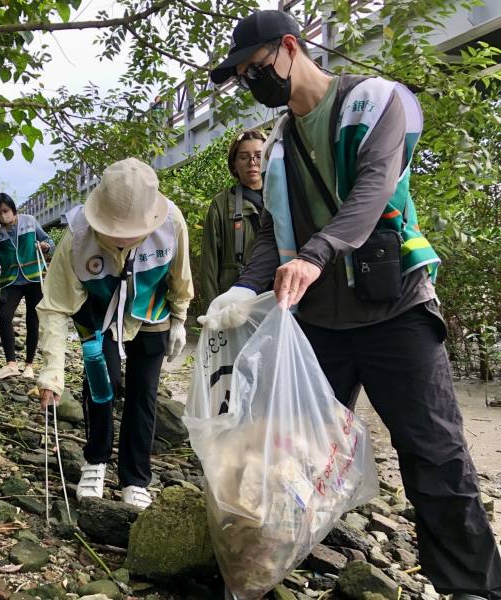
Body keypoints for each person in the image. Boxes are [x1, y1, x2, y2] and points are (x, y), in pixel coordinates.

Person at [204, 10, 501, 600]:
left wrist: (314, 255)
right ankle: (272, 566)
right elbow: (271, 230)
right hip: (318, 323)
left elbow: (372, 192)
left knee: (434, 451)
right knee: (290, 450)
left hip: (397, 312)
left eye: (255, 70)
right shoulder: (281, 144)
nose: (251, 85)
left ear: (290, 48)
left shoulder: (376, 102)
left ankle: (471, 586)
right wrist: (242, 288)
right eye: (242, 78)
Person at [37, 158, 193, 509]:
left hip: (151, 315)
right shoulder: (76, 236)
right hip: (97, 318)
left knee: (144, 395)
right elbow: (54, 307)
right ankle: (96, 460)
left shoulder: (171, 223)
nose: (121, 238)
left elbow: (180, 277)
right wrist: (52, 373)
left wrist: (180, 318)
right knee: (100, 387)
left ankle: (135, 477)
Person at [0, 193, 54, 380]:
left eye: (5, 211)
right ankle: (11, 364)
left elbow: (50, 242)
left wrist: (45, 247)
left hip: (34, 278)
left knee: (32, 320)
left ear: (13, 208)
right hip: (11, 280)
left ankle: (29, 366)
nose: (3, 215)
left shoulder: (29, 221)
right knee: (4, 317)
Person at [199, 129, 266, 313]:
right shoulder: (221, 205)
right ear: (234, 164)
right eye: (244, 157)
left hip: (275, 298)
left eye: (258, 156)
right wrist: (212, 312)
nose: (252, 163)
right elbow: (209, 265)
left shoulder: (283, 196)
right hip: (234, 304)